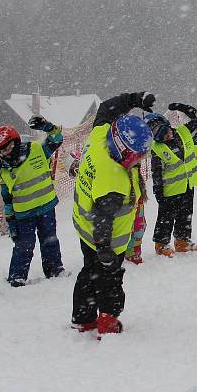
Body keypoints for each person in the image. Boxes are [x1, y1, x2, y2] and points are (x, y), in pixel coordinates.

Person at [71, 91, 155, 336]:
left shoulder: (100, 135)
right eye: (135, 155)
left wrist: (135, 99)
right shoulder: (113, 180)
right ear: (121, 148)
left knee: (88, 273)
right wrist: (105, 249)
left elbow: (107, 108)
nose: (139, 159)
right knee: (110, 279)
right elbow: (103, 218)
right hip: (106, 239)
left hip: (84, 228)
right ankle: (107, 320)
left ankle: (82, 318)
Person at [0, 116, 66, 286]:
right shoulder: (4, 169)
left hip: (46, 207)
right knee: (24, 246)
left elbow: (57, 138)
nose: (7, 152)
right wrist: (11, 223)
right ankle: (17, 276)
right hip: (23, 215)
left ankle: (55, 269)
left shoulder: (36, 150)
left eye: (10, 146)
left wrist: (47, 126)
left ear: (16, 141)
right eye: (2, 150)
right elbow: (7, 199)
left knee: (50, 240)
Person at [145, 102, 197, 256]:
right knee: (166, 218)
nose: (167, 136)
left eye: (166, 132)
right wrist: (158, 193)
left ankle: (182, 241)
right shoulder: (157, 149)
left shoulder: (184, 132)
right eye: (161, 136)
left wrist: (184, 108)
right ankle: (161, 244)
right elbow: (156, 173)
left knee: (186, 214)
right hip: (169, 191)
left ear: (169, 125)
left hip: (188, 184)